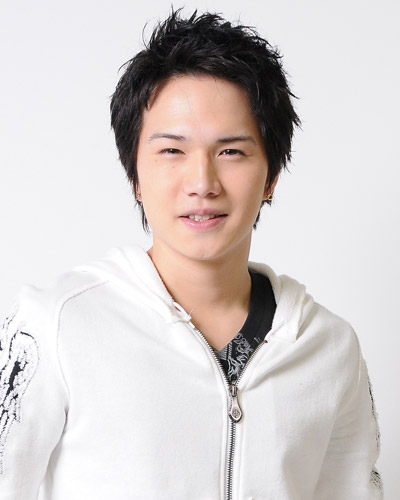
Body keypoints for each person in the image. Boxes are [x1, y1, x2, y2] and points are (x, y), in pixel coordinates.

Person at [0, 9, 382, 500]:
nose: (202, 183)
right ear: (135, 177)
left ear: (270, 177)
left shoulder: (329, 348)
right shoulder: (56, 326)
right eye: (172, 151)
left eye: (231, 152)